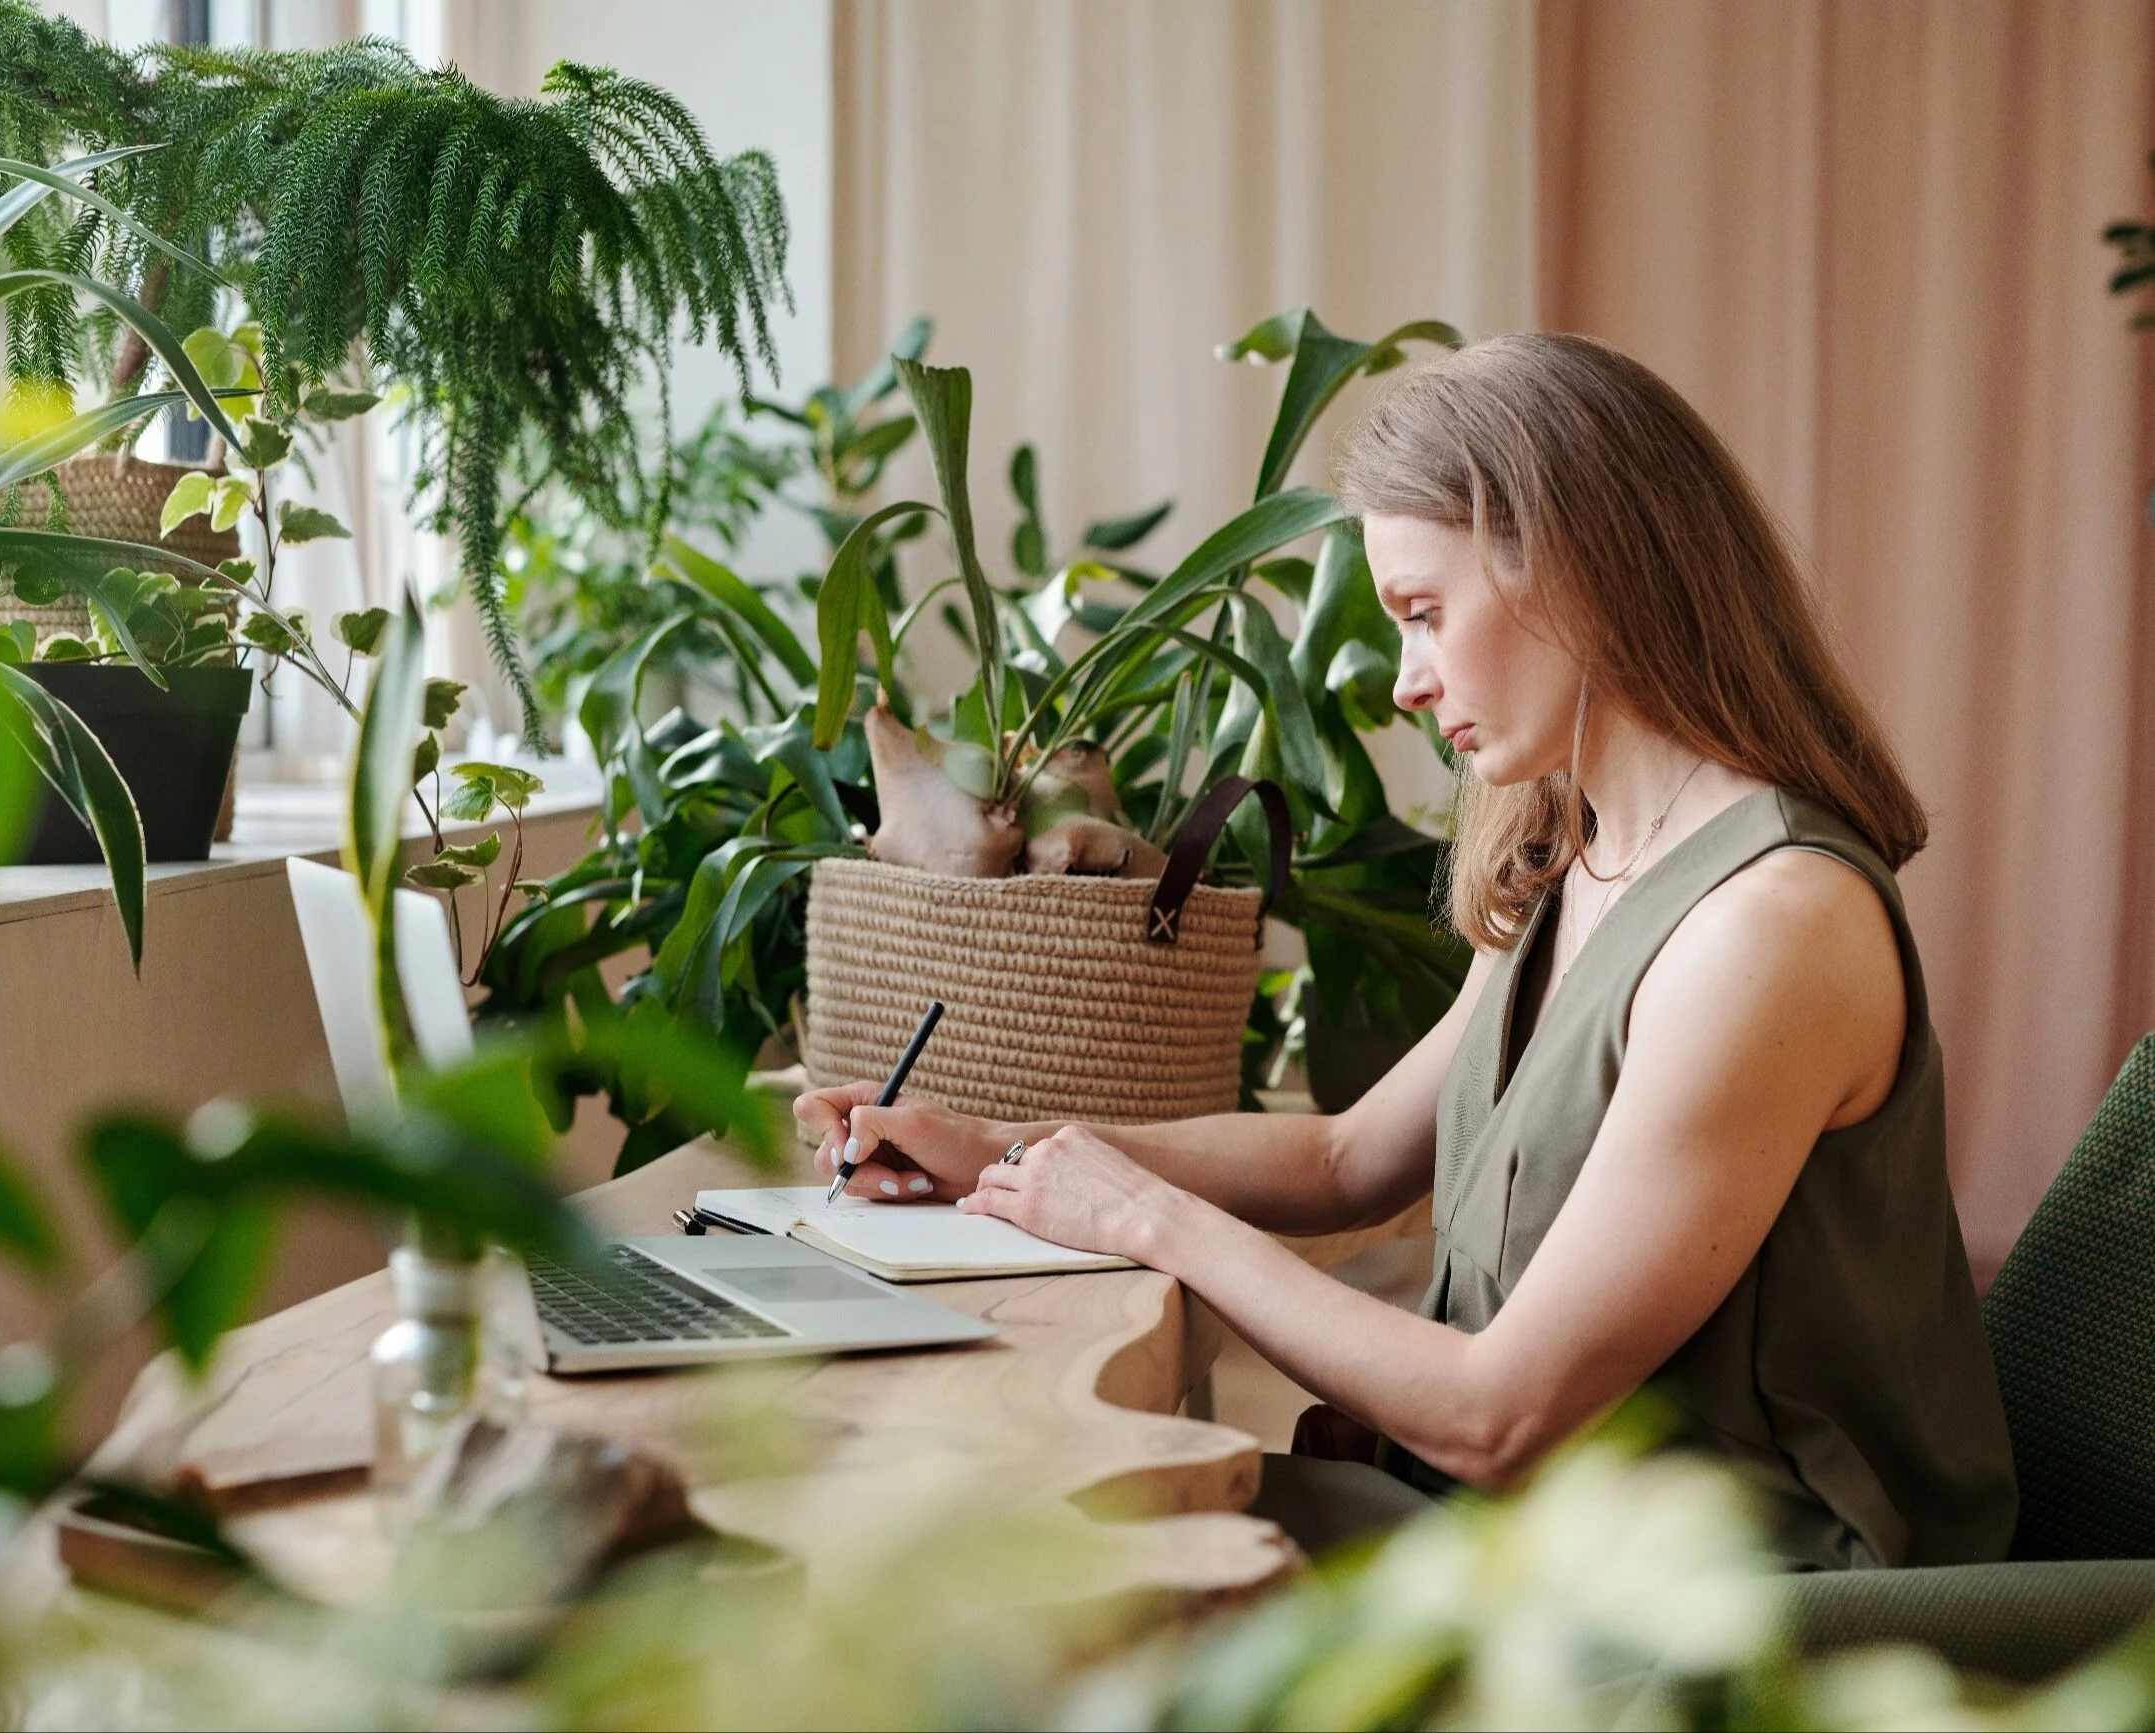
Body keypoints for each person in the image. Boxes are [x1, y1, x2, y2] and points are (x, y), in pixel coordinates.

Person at [795, 334, 2017, 1569]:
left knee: (1023, 1562)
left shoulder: (1769, 926)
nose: (1408, 683)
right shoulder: (1584, 854)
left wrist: (1149, 1219)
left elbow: (1502, 1414)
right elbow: (1343, 1158)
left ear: (1579, 566)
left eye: (1425, 615)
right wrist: (999, 1151)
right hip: (1533, 1547)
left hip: (1731, 1611)